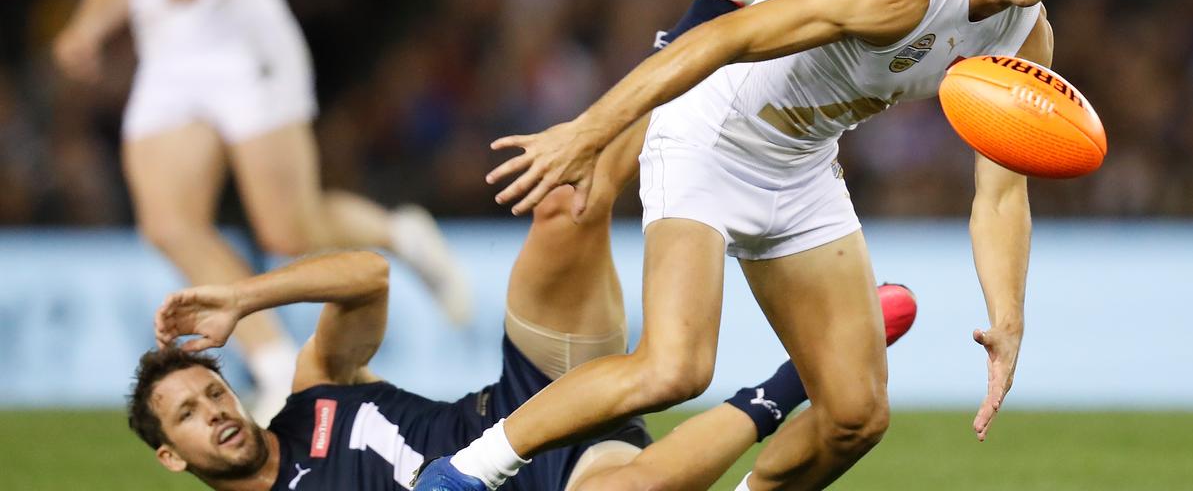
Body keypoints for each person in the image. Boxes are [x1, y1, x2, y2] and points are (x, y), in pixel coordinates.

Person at [426, 0, 1115, 491]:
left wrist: (1008, 318)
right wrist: (588, 131)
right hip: (713, 133)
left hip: (804, 164)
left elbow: (999, 195)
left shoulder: (1026, 38)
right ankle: (464, 472)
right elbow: (727, 41)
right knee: (674, 370)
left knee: (854, 417)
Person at [53, 0, 471, 421]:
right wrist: (86, 25)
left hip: (237, 31)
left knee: (288, 230)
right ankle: (275, 366)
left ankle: (398, 233)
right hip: (167, 53)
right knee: (168, 222)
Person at [131, 215, 917, 490]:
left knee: (566, 207)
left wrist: (242, 296)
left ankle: (713, 11)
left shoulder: (312, 395)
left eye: (214, 394)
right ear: (173, 456)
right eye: (190, 417)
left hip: (527, 402)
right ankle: (799, 374)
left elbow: (367, 276)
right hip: (556, 481)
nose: (217, 416)